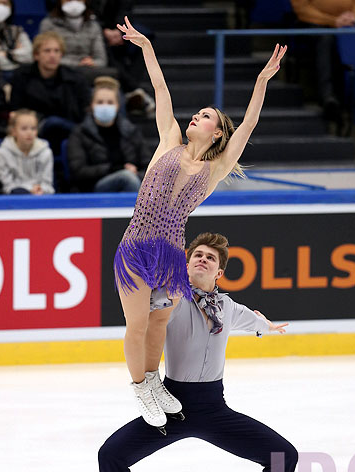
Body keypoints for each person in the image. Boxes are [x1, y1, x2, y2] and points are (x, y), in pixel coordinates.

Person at [113, 16, 287, 434]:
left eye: (206, 116)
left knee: (159, 322)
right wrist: (145, 47)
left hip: (173, 255)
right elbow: (159, 88)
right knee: (137, 324)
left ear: (217, 133)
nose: (196, 116)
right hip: (136, 248)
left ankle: (153, 379)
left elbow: (249, 125)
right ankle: (142, 387)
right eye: (198, 113)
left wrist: (261, 80)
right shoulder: (169, 140)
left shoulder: (214, 169)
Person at [89, 231, 298, 472]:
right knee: (111, 455)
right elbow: (143, 317)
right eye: (197, 254)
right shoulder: (169, 300)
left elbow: (253, 321)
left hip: (215, 410)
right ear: (186, 265)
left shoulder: (228, 307)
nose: (202, 258)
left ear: (219, 273)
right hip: (173, 406)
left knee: (283, 456)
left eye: (210, 258)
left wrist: (266, 326)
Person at [10, 31, 91, 155]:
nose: (52, 55)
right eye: (47, 51)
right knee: (53, 123)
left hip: (68, 129)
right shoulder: (22, 76)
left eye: (56, 51)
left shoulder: (75, 79)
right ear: (36, 55)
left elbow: (85, 111)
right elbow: (16, 110)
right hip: (34, 129)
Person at [67, 75, 151, 192]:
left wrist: (136, 173)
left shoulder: (131, 130)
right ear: (92, 105)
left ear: (118, 105)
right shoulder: (80, 133)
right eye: (100, 102)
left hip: (133, 180)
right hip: (95, 187)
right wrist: (114, 169)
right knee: (126, 178)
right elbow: (78, 171)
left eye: (110, 102)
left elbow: (149, 165)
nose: (105, 106)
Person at [290, 0, 355, 122]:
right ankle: (328, 97)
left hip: (349, 24)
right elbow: (301, 8)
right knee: (326, 38)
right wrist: (333, 21)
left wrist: (353, 16)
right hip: (313, 24)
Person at [91, 0, 155, 117]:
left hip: (117, 26)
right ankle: (133, 89)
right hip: (93, 27)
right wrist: (102, 30)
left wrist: (119, 29)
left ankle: (131, 90)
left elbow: (125, 9)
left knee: (143, 40)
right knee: (104, 47)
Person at [39, 0, 108, 74]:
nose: (73, 2)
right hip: (59, 73)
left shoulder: (94, 26)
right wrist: (78, 64)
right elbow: (45, 56)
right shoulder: (48, 25)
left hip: (87, 72)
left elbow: (101, 60)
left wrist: (93, 63)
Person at [0, 109, 54, 195]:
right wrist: (28, 191)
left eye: (33, 128)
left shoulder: (46, 152)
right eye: (24, 129)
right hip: (13, 198)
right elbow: (7, 186)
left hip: (40, 197)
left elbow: (48, 184)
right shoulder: (2, 153)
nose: (29, 133)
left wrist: (41, 189)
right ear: (13, 131)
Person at [0, 0, 33, 82]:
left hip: (18, 75)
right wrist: (16, 53)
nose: (0, 7)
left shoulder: (16, 30)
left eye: (4, 3)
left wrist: (6, 54)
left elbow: (29, 55)